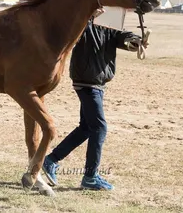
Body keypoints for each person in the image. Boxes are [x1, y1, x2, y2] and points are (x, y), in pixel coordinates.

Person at [43, 10, 148, 191]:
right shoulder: (82, 22)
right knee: (99, 127)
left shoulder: (108, 25)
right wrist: (87, 14)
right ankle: (90, 177)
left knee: (87, 127)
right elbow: (72, 29)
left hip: (96, 83)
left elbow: (121, 37)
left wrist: (135, 40)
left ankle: (51, 160)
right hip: (87, 82)